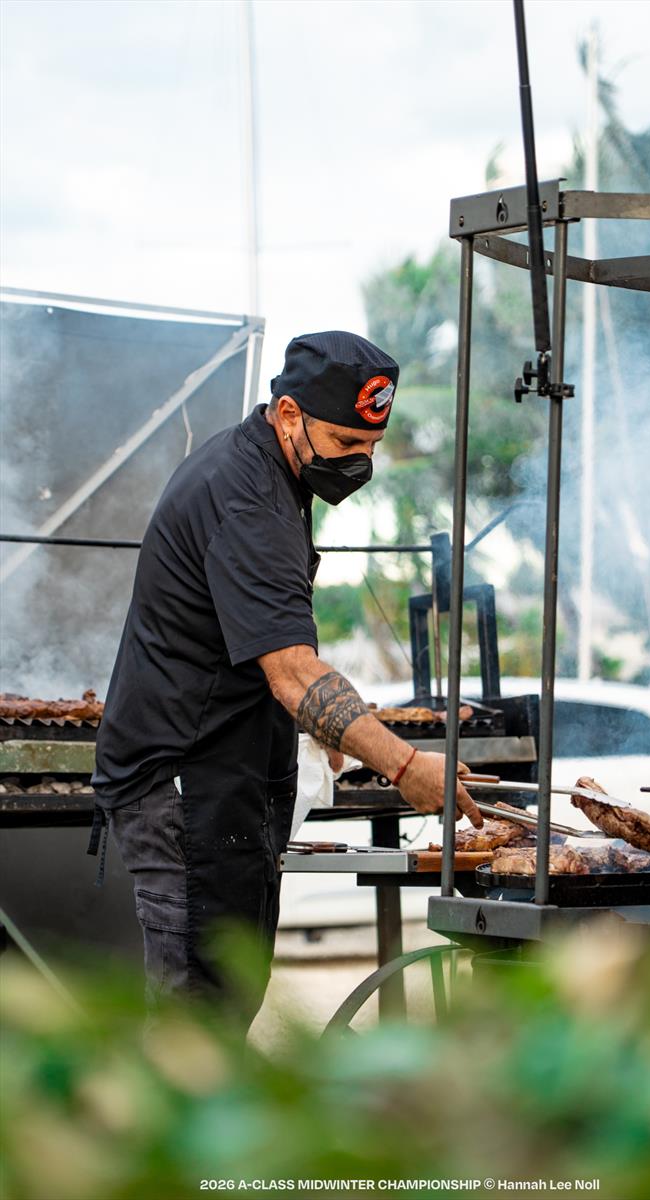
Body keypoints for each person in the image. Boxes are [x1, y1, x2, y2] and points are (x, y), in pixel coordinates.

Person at [90, 330, 482, 1025]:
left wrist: (329, 732)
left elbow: (274, 636)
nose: (359, 463)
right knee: (197, 1025)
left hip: (225, 785)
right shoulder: (245, 499)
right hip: (188, 787)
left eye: (371, 448)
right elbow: (295, 674)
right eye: (345, 443)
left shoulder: (271, 474)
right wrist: (404, 765)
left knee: (225, 1006)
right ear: (290, 414)